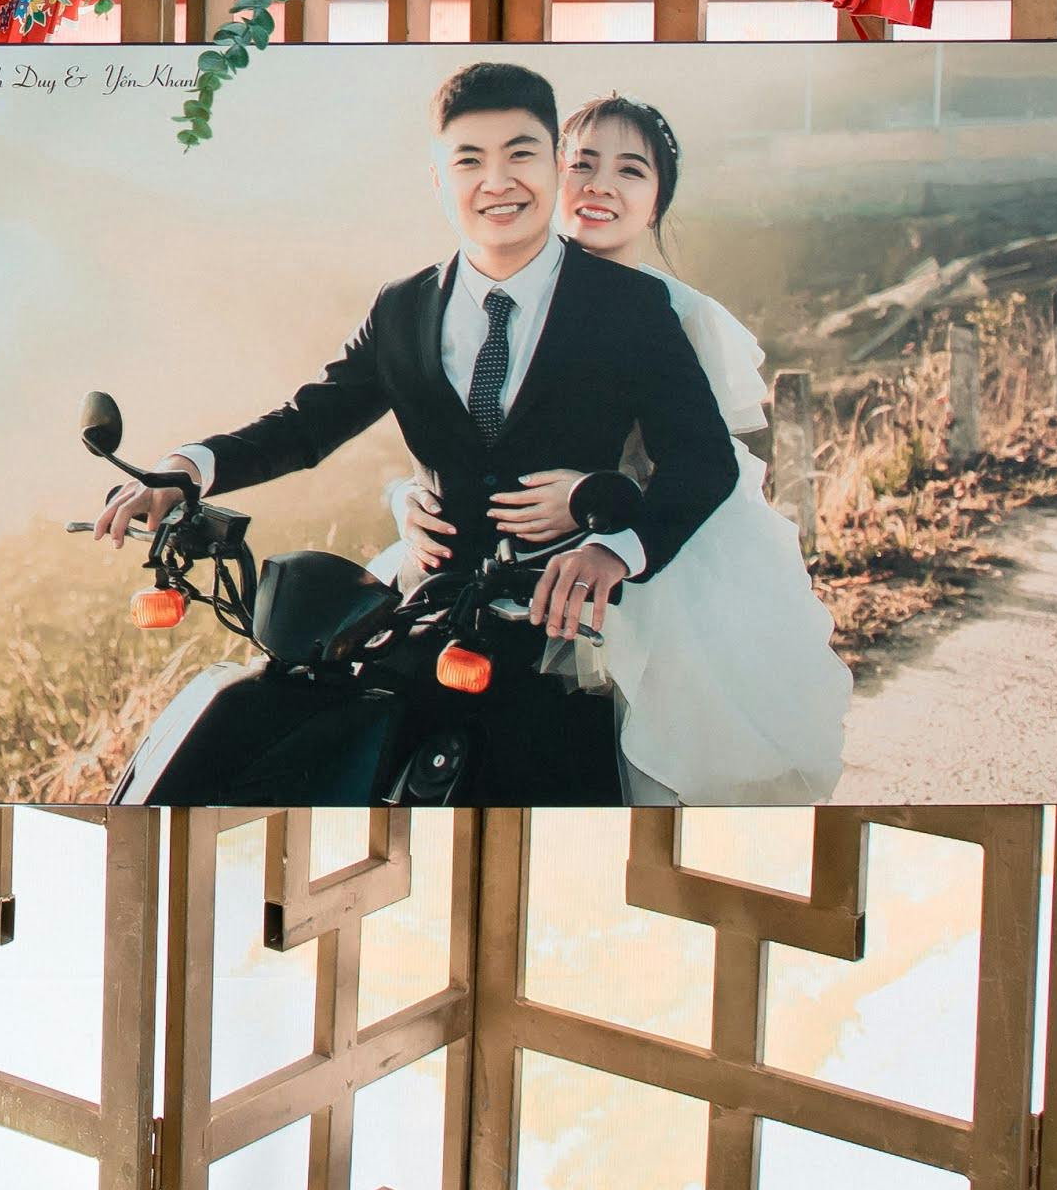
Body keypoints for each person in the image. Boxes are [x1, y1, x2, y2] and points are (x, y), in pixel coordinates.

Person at [102, 58, 737, 804]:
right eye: (469, 160)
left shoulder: (629, 306)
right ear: (438, 179)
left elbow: (704, 459)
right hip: (428, 602)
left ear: (555, 166)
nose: (497, 181)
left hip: (564, 633)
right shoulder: (401, 306)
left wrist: (614, 548)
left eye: (521, 154)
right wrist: (189, 465)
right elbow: (310, 420)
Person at [420, 95, 850, 805]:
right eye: (581, 165)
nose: (600, 186)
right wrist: (414, 498)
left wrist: (597, 505)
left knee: (647, 756)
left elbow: (702, 462)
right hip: (511, 560)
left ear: (655, 202)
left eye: (630, 170)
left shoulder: (673, 313)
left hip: (655, 562)